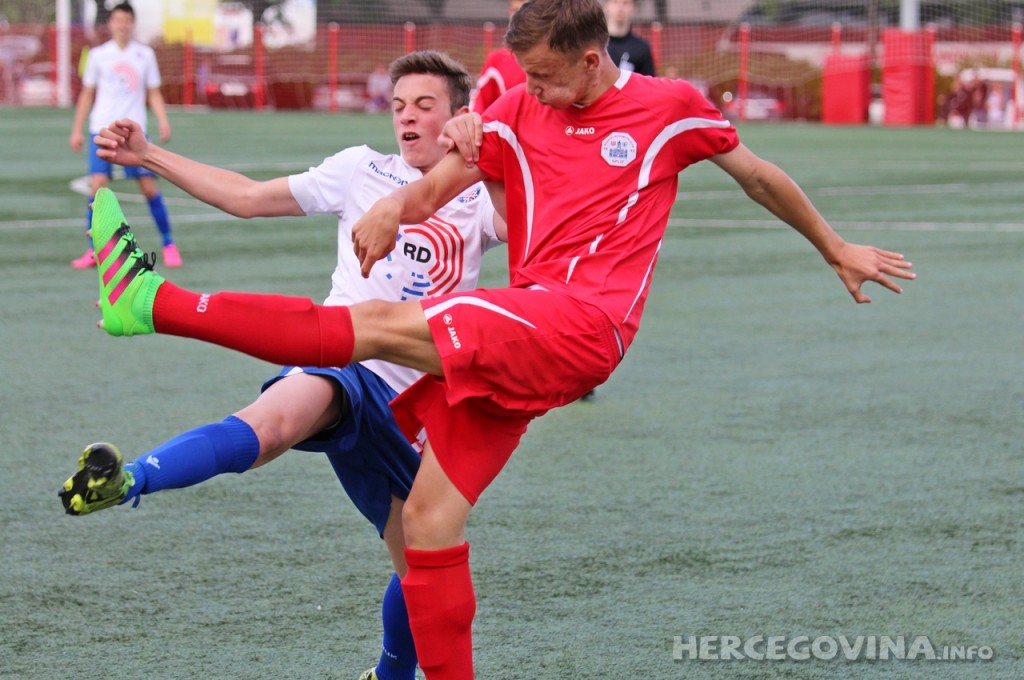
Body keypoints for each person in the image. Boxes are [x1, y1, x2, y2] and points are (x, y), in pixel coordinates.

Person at [77, 1, 915, 677]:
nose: (535, 92)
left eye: (547, 77)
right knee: (433, 524)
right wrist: (390, 206)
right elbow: (441, 181)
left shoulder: (668, 110)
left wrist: (835, 245)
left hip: (582, 321)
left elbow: (758, 174)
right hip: (526, 332)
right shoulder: (513, 109)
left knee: (362, 333)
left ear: (593, 60)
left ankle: (151, 301)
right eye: (526, 79)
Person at [60, 51, 504, 680]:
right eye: (399, 106)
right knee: (272, 424)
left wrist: (490, 153)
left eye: (425, 107)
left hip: (418, 404)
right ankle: (129, 479)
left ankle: (390, 673)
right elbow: (246, 197)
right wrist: (150, 154)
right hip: (344, 361)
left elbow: (524, 224)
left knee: (422, 569)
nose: (406, 118)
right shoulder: (360, 170)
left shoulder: (476, 195)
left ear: (457, 115)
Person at [68, 1, 180, 270]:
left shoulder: (145, 55)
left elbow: (153, 91)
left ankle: (168, 244)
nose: (122, 25)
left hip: (133, 132)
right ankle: (93, 251)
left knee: (149, 188)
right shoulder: (97, 55)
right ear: (110, 24)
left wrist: (163, 121)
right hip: (101, 130)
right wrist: (76, 129)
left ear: (132, 23)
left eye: (126, 20)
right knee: (97, 189)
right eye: (117, 20)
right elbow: (87, 93)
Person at [470, 0, 527, 113]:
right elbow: (479, 107)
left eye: (525, 10)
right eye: (515, 11)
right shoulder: (497, 60)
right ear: (509, 12)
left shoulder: (555, 57)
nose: (520, 17)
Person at [603, 0, 656, 76]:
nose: (620, 7)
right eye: (615, 2)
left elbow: (648, 84)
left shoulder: (641, 48)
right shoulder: (594, 44)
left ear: (633, 7)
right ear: (606, 6)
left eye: (625, 3)